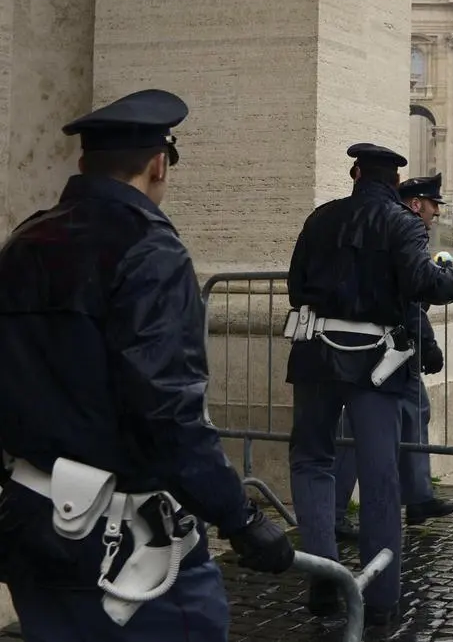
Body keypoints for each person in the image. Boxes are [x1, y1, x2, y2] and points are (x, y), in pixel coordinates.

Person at [0, 89, 293, 640]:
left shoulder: (23, 242)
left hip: (33, 523)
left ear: (83, 163)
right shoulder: (150, 248)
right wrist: (241, 518)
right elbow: (168, 411)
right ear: (160, 164)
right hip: (126, 540)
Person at [287, 143, 453, 626]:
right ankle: (382, 597)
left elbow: (295, 287)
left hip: (314, 355)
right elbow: (425, 284)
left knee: (311, 463)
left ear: (354, 173)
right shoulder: (401, 223)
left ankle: (323, 575)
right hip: (372, 363)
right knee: (381, 474)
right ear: (393, 185)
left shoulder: (320, 218)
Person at [334, 173, 453, 542]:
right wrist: (428, 342)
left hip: (394, 346)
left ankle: (418, 496)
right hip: (375, 345)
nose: (437, 212)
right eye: (433, 204)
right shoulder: (401, 230)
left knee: (416, 406)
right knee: (354, 426)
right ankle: (336, 512)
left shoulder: (395, 225)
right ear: (416, 203)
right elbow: (407, 298)